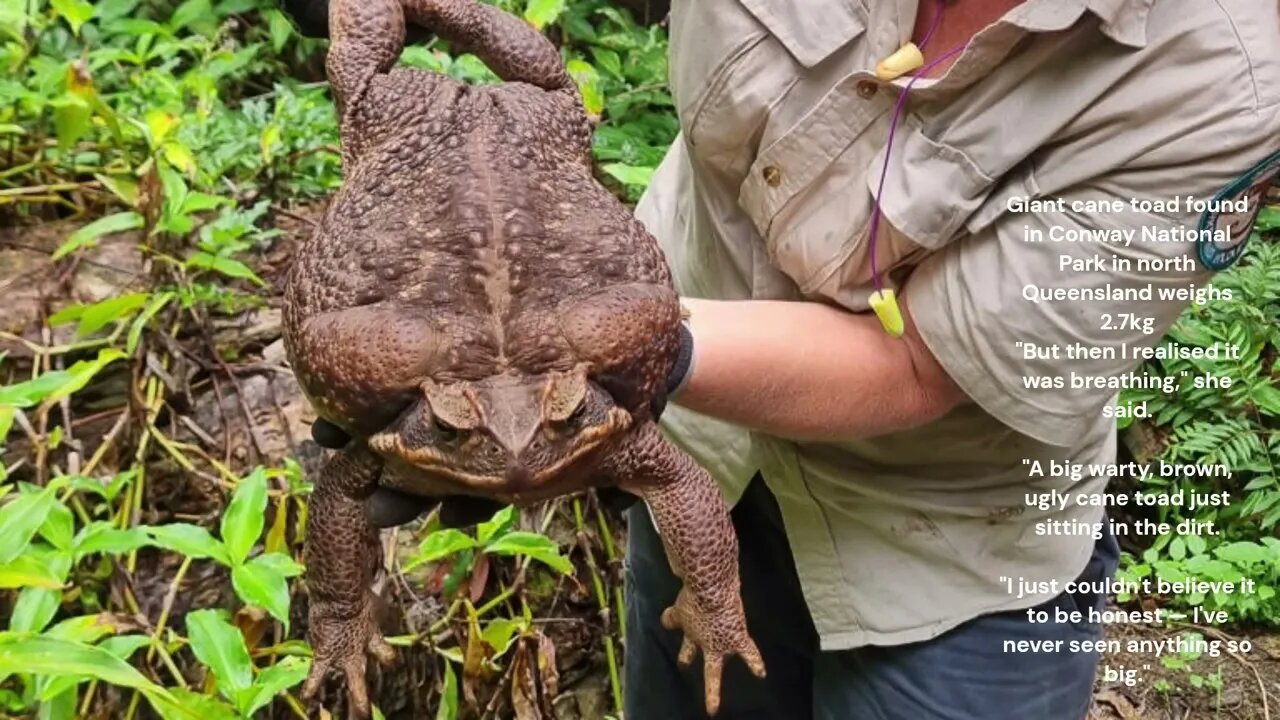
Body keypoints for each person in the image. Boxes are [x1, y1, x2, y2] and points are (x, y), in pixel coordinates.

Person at [283, 1, 1280, 718]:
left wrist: (620, 364)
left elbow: (917, 365)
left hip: (944, 538)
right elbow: (349, 480)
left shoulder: (1221, 72)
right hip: (683, 435)